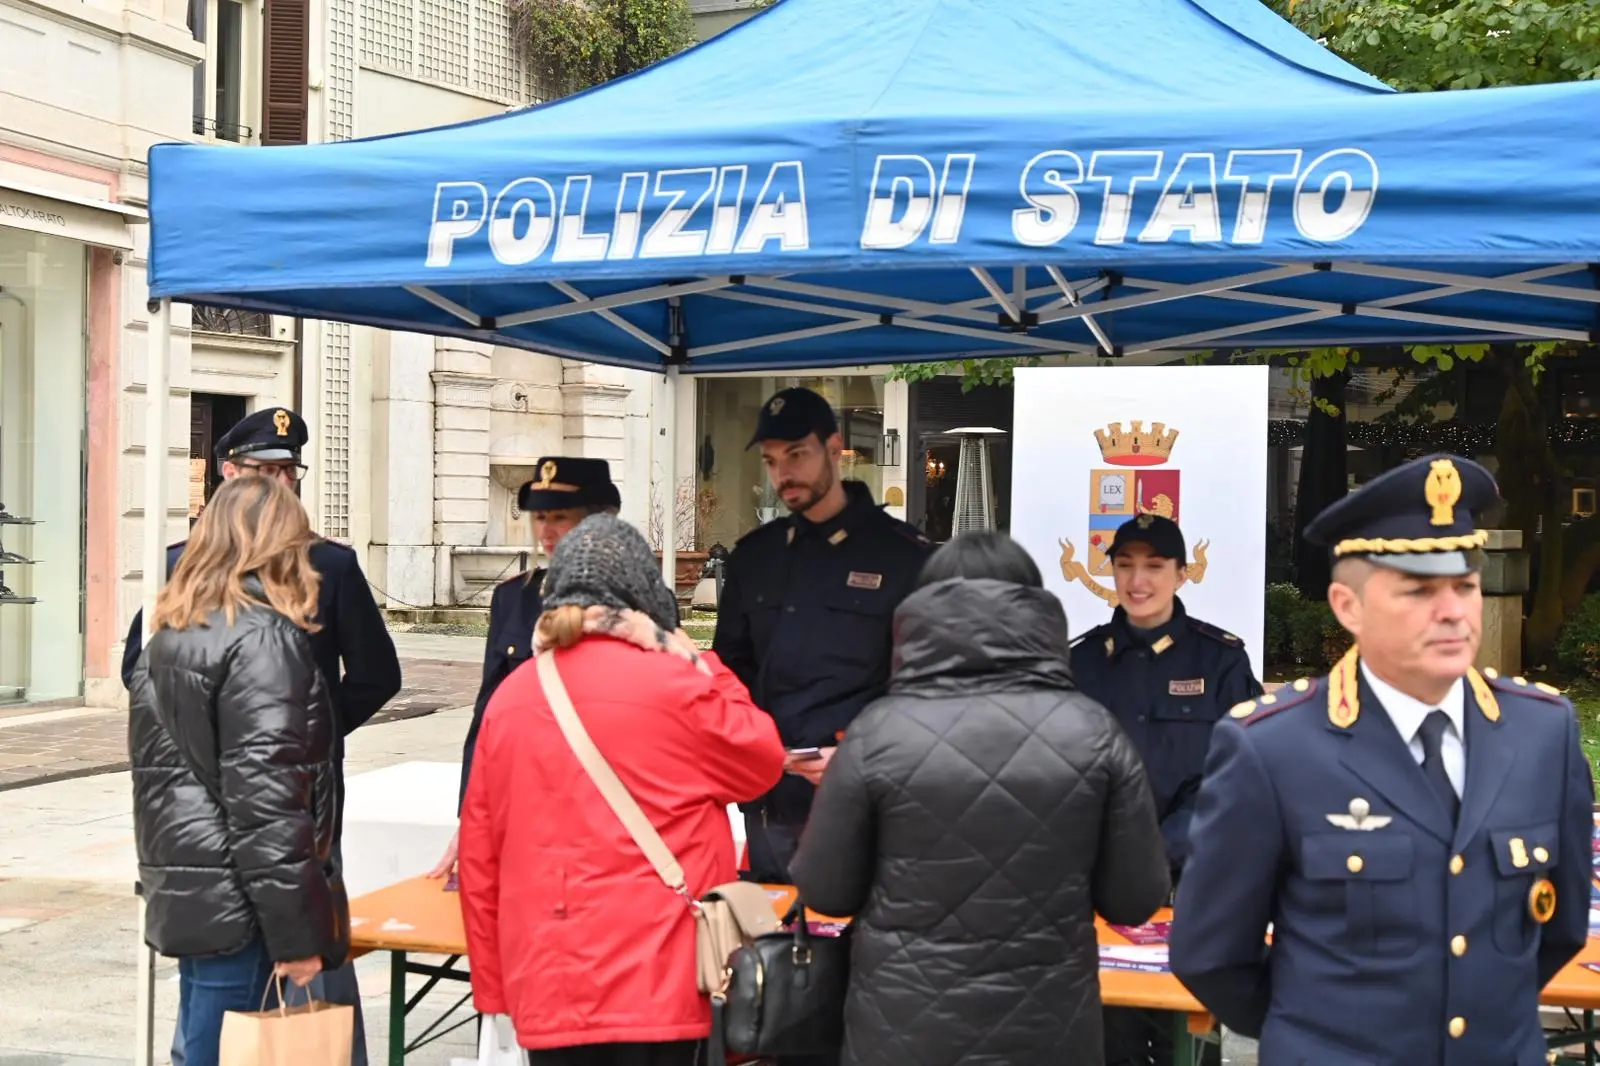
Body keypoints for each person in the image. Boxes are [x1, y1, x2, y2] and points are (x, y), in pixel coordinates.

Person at [1171, 454, 1594, 1066]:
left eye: (1465, 586)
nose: (1452, 610)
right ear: (1348, 607)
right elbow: (1210, 954)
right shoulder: (1272, 748)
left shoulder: (1543, 732)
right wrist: (1320, 1034)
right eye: (1418, 590)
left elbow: (1560, 927)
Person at [790, 531, 1170, 1066]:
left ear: (921, 610)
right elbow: (1135, 900)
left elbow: (826, 891)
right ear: (1036, 609)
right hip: (1052, 1032)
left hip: (902, 1032)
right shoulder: (1093, 733)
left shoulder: (877, 733)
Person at [123, 405, 398, 1066]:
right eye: (261, 472)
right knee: (241, 1025)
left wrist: (304, 733)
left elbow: (374, 675)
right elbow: (148, 687)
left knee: (218, 1029)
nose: (279, 485)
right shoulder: (206, 593)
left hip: (215, 840)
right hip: (249, 841)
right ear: (228, 474)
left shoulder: (328, 566)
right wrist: (281, 738)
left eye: (287, 472)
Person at [458, 514, 785, 1066]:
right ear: (644, 599)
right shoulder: (679, 683)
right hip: (665, 983)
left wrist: (494, 991)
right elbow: (762, 761)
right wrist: (698, 660)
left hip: (549, 986)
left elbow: (479, 859)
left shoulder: (512, 697)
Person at [712, 387, 932, 883]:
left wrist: (863, 754)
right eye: (771, 461)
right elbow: (730, 673)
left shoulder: (905, 557)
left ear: (835, 449)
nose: (783, 473)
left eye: (797, 454)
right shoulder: (756, 557)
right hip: (772, 799)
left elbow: (931, 689)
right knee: (776, 926)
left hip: (871, 798)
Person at [1068, 514, 1261, 1066]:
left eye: (1154, 566)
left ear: (1181, 573)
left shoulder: (1219, 659)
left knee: (1188, 1034)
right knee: (1111, 1030)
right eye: (1125, 565)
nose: (1138, 581)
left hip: (1189, 879)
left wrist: (1157, 847)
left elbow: (1237, 774)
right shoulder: (1081, 660)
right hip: (1099, 878)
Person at [429, 456, 622, 878]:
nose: (546, 531)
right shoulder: (514, 598)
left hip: (609, 803)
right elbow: (487, 719)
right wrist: (470, 816)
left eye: (561, 517)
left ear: (597, 521)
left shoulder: (637, 600)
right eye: (540, 517)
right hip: (527, 797)